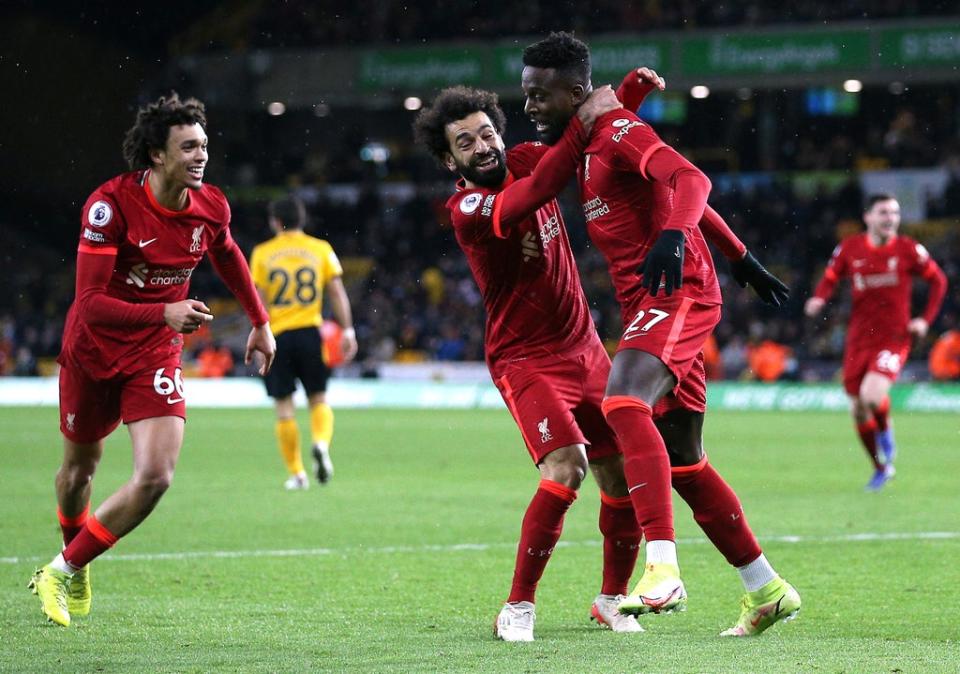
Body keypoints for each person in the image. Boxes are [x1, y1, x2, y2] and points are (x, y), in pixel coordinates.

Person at [520, 32, 799, 636]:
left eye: (540, 95)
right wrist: (739, 254)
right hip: (654, 299)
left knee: (622, 402)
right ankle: (766, 588)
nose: (531, 107)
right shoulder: (590, 142)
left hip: (678, 293)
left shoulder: (619, 133)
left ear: (574, 92)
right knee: (682, 458)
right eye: (526, 96)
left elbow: (691, 181)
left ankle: (663, 567)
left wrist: (680, 238)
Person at [29, 93, 276, 627]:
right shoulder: (110, 206)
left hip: (155, 355)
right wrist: (162, 311)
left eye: (204, 145)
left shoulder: (210, 205)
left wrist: (260, 320)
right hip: (93, 352)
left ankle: (63, 568)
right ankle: (77, 552)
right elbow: (90, 304)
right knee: (78, 471)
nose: (200, 156)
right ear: (156, 154)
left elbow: (226, 251)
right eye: (187, 147)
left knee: (156, 475)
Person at [413, 84, 647, 641]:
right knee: (568, 467)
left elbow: (590, 148)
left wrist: (626, 101)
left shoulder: (522, 158)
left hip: (586, 348)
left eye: (488, 132)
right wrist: (592, 113)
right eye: (465, 142)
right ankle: (517, 607)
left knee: (623, 479)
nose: (483, 146)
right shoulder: (466, 208)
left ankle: (612, 600)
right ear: (450, 160)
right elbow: (538, 189)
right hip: (525, 359)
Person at [805, 193, 947, 490]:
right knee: (857, 408)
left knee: (871, 397)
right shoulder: (850, 248)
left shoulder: (909, 249)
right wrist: (819, 297)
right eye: (883, 212)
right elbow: (831, 276)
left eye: (895, 213)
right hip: (859, 338)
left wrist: (924, 319)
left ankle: (885, 430)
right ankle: (880, 467)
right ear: (868, 217)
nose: (890, 218)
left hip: (894, 337)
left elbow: (938, 281)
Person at [249, 195, 358, 490]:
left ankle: (297, 474)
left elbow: (257, 299)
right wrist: (347, 330)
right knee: (319, 399)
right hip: (311, 333)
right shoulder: (320, 249)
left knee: (284, 407)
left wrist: (259, 334)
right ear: (301, 219)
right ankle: (321, 443)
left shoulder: (262, 253)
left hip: (278, 336)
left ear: (275, 222)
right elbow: (336, 292)